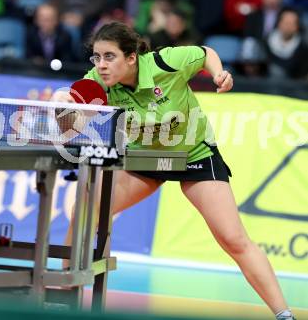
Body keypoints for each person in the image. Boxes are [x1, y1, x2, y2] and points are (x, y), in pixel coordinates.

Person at [53, 22, 296, 320]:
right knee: (85, 209)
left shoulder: (164, 62)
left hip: (193, 154)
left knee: (233, 239)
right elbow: (68, 129)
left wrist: (218, 73)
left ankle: (284, 314)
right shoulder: (95, 82)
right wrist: (63, 108)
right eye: (97, 57)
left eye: (109, 57)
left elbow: (204, 52)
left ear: (131, 57)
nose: (101, 65)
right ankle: (60, 295)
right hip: (144, 159)